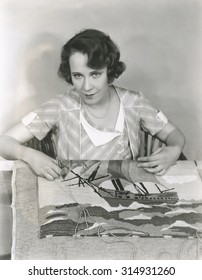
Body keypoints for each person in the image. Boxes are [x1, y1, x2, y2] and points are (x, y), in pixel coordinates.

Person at [0, 29, 185, 181]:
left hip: (123, 197)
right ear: (69, 74)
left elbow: (173, 134)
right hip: (73, 199)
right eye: (78, 76)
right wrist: (29, 155)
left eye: (95, 74)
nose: (87, 87)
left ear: (109, 71)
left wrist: (173, 150)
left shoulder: (134, 102)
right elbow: (4, 142)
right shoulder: (61, 106)